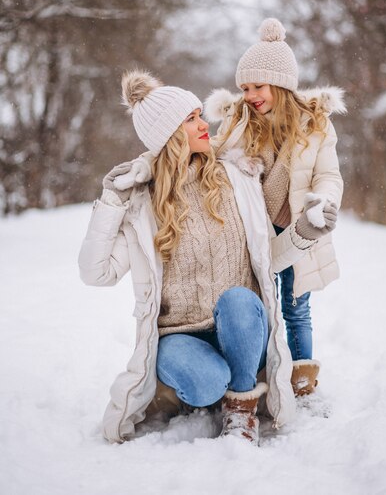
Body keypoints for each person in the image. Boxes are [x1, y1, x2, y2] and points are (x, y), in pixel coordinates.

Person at [78, 68, 337, 445]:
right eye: (192, 119)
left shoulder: (237, 179)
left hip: (240, 325)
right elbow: (95, 273)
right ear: (169, 135)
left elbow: (269, 261)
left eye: (200, 114)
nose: (205, 125)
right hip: (179, 336)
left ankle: (241, 405)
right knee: (205, 384)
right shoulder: (143, 203)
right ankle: (216, 382)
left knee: (237, 299)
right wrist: (111, 202)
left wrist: (305, 233)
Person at [205, 17, 346, 397]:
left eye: (258, 86)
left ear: (281, 84)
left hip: (299, 227)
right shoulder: (237, 120)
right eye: (245, 87)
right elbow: (213, 160)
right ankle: (254, 371)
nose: (250, 95)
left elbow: (328, 174)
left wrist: (323, 203)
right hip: (252, 230)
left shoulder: (315, 125)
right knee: (254, 303)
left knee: (296, 307)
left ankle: (302, 380)